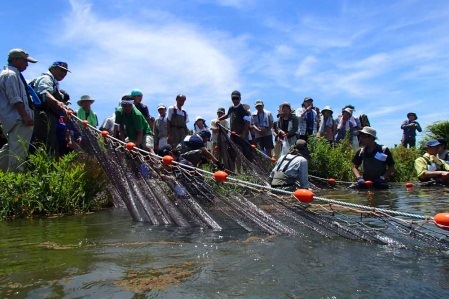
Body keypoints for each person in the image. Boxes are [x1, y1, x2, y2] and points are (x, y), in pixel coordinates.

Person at [0, 48, 37, 172]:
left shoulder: (14, 74)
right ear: (16, 60)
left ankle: (4, 178)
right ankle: (15, 184)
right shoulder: (10, 75)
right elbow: (14, 98)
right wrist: (26, 116)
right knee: (18, 153)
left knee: (10, 149)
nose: (27, 65)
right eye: (25, 61)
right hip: (18, 119)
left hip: (16, 118)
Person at [32, 61, 70, 153]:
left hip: (50, 118)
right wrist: (57, 102)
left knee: (49, 144)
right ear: (52, 68)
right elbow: (44, 92)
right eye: (61, 70)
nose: (63, 74)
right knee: (43, 144)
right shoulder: (46, 78)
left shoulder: (54, 83)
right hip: (42, 116)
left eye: (65, 72)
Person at [218, 90, 253, 165]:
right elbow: (227, 115)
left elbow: (247, 123)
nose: (235, 100)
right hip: (233, 135)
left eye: (236, 98)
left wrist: (243, 134)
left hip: (242, 136)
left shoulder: (243, 109)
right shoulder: (231, 108)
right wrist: (219, 119)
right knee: (232, 152)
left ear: (240, 98)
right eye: (233, 98)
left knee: (245, 153)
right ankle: (232, 170)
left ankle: (248, 171)